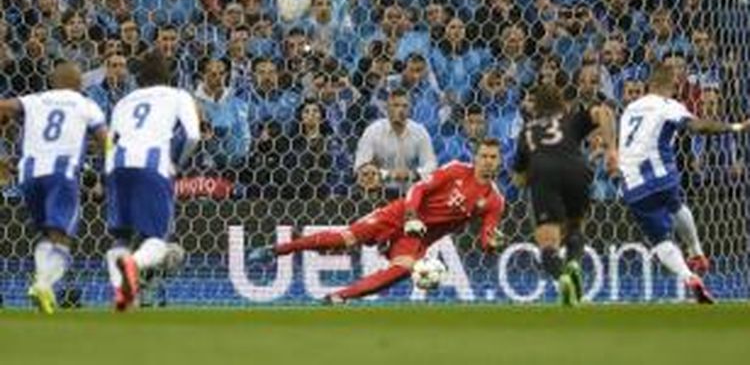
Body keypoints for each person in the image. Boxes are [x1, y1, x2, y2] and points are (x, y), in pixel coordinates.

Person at [249, 139, 505, 304]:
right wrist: (411, 215)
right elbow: (418, 189)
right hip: (399, 215)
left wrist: (492, 244)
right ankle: (275, 250)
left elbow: (487, 236)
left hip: (417, 237)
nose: (488, 161)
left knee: (404, 268)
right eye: (484, 155)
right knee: (344, 239)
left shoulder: (494, 201)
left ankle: (338, 297)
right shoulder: (456, 170)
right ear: (475, 156)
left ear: (499, 161)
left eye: (493, 157)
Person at [618, 64, 750, 304]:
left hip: (632, 186)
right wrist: (736, 126)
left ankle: (689, 277)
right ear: (674, 86)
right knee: (676, 205)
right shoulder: (669, 105)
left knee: (660, 241)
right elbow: (697, 126)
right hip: (661, 176)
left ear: (649, 85)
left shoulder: (630, 108)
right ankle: (696, 251)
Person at [0, 62, 107, 314]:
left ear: (53, 81)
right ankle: (42, 284)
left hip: (29, 174)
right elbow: (105, 138)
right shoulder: (86, 104)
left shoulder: (35, 99)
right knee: (61, 235)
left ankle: (42, 286)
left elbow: (4, 107)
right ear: (79, 83)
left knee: (46, 234)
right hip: (62, 172)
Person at [105, 50, 201, 311]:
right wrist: (175, 164)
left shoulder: (123, 102)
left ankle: (122, 295)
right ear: (168, 74)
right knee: (156, 238)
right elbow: (193, 135)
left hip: (117, 166)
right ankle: (133, 266)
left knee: (121, 237)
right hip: (152, 165)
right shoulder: (178, 95)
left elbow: (108, 141)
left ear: (138, 77)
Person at [513, 83, 617, 306]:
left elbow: (519, 179)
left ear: (536, 108)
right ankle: (574, 264)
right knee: (575, 227)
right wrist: (611, 150)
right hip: (577, 170)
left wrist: (529, 176)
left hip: (543, 174)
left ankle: (562, 279)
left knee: (548, 243)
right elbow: (605, 112)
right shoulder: (571, 119)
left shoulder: (527, 132)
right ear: (562, 105)